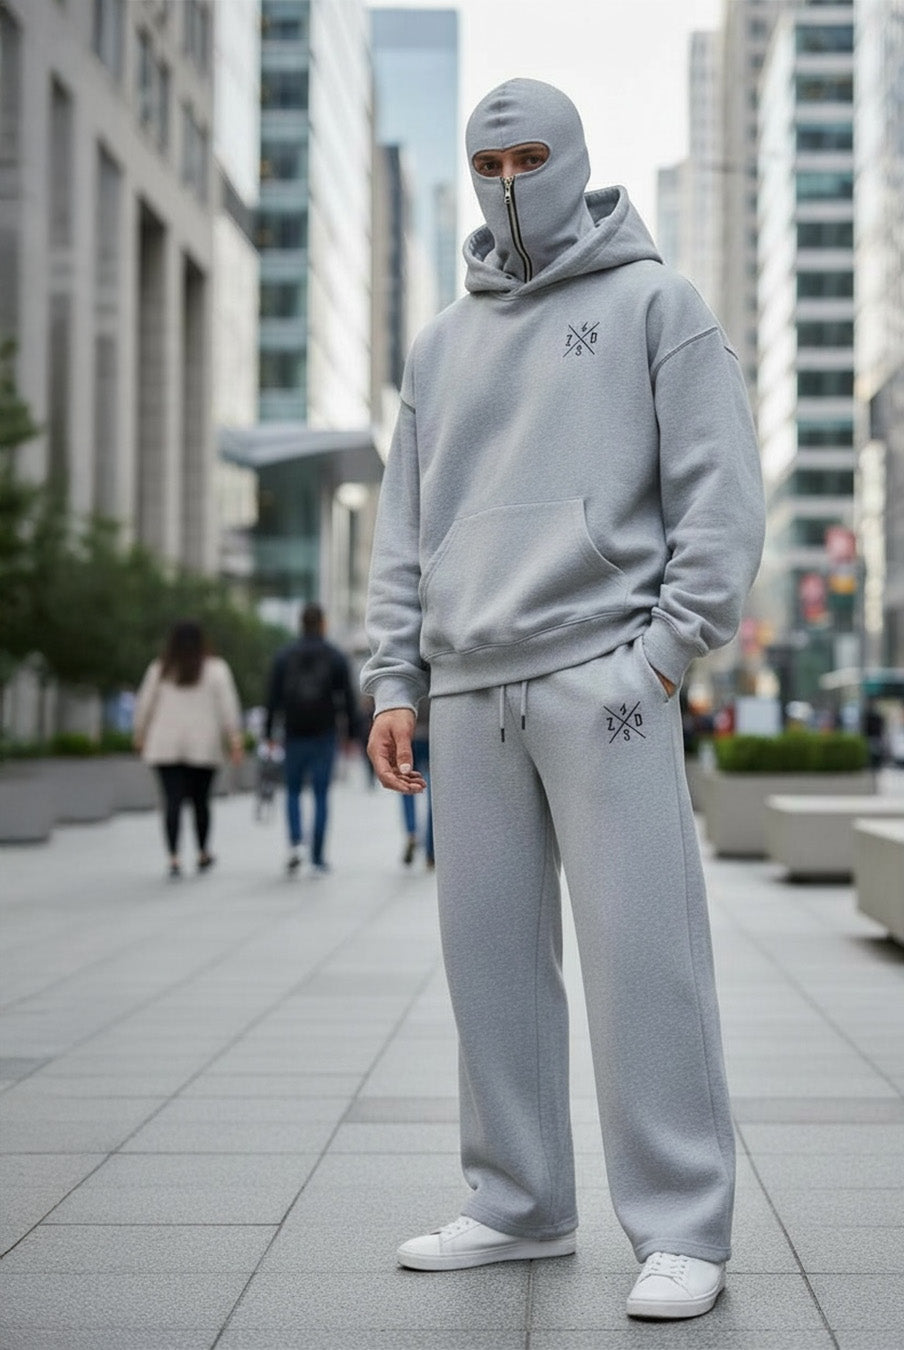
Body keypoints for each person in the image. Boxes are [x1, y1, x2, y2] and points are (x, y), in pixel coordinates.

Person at [362, 80, 765, 1321]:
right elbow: (405, 528)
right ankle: (519, 1203)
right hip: (470, 690)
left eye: (531, 155)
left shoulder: (657, 303)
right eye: (489, 159)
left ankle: (684, 1225)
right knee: (489, 963)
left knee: (645, 956)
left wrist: (661, 656)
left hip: (610, 680)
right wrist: (395, 678)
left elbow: (720, 496)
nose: (508, 177)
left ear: (575, 157)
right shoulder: (439, 343)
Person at [134, 620, 243, 879]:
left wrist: (140, 735)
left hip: (165, 745)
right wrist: (235, 740)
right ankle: (202, 852)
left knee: (171, 801)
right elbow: (229, 707)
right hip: (203, 747)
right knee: (201, 801)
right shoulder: (216, 669)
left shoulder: (160, 669)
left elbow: (144, 705)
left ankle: (173, 857)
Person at [265, 602, 361, 875]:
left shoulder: (285, 656)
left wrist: (269, 733)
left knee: (293, 791)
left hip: (293, 733)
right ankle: (317, 857)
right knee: (320, 794)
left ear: (300, 624)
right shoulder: (334, 656)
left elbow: (273, 698)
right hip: (324, 733)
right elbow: (348, 699)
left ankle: (295, 844)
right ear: (322, 624)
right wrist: (352, 734)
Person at [400, 697, 434, 868]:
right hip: (431, 735)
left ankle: (411, 831)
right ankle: (431, 851)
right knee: (432, 793)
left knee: (406, 785)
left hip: (408, 734)